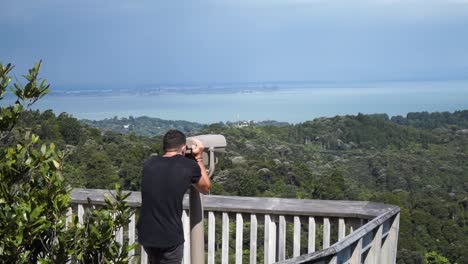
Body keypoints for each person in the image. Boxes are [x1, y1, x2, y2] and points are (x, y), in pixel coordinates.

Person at [137, 130, 211, 264]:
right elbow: (205, 188)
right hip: (169, 236)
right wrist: (199, 158)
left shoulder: (149, 164)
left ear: (164, 147)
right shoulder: (188, 166)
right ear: (183, 148)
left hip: (147, 234)